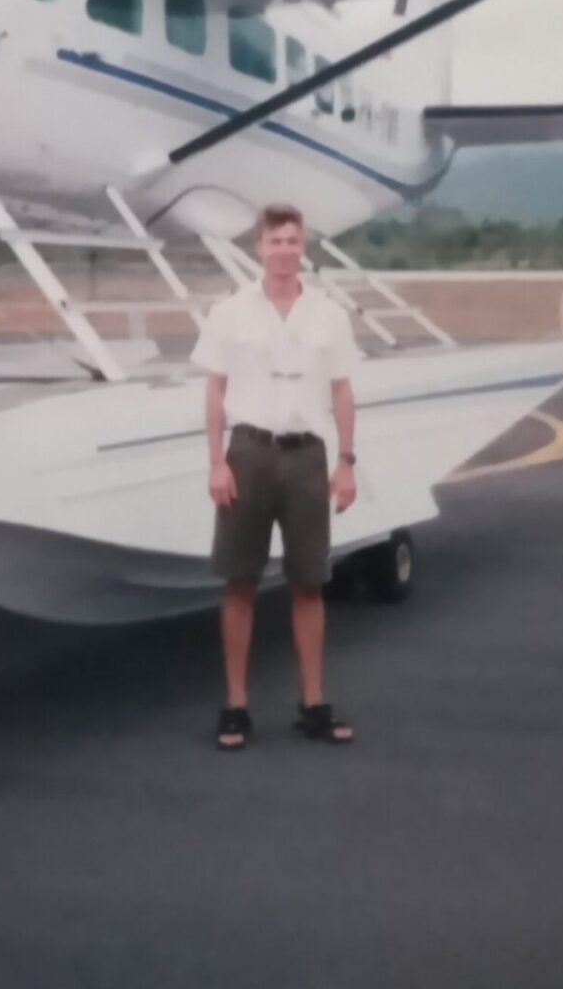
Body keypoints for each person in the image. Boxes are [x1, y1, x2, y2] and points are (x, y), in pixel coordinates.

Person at [190, 203, 359, 751]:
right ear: (258, 247)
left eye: (293, 240)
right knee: (239, 583)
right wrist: (217, 461)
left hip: (306, 456)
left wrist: (347, 461)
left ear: (303, 245)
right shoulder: (230, 311)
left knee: (308, 584)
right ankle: (236, 707)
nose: (285, 249)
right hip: (249, 454)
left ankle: (313, 705)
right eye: (275, 240)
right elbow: (215, 390)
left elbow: (341, 390)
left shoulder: (329, 314)